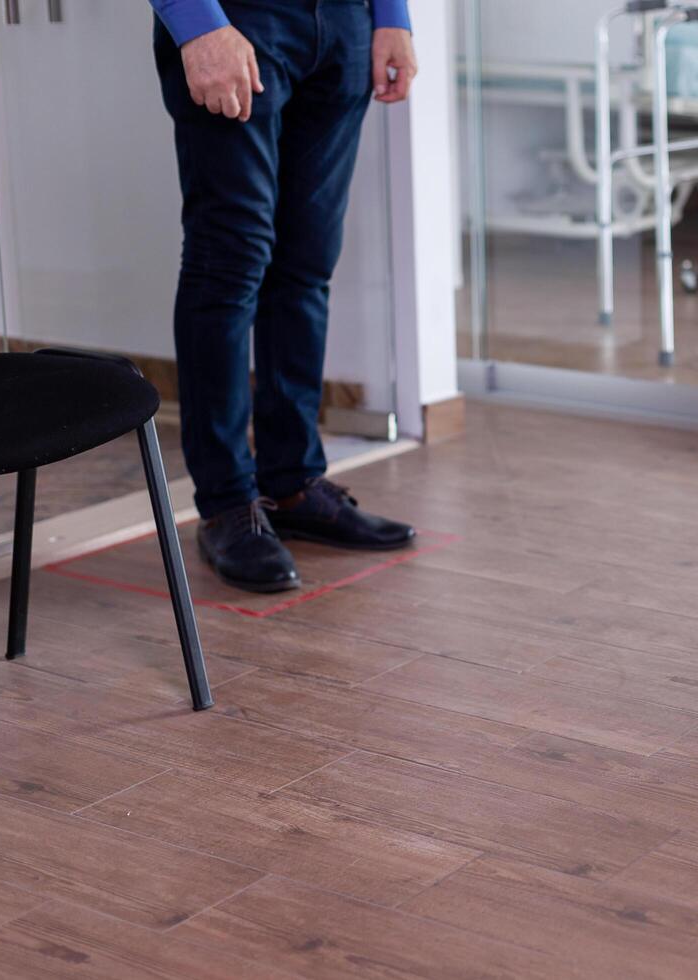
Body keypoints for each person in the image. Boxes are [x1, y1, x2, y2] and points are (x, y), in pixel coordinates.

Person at [150, 0, 419, 593]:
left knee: (306, 263)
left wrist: (392, 14)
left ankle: (293, 483)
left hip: (346, 23)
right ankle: (226, 505)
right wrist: (195, 23)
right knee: (229, 264)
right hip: (237, 19)